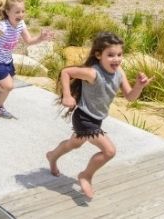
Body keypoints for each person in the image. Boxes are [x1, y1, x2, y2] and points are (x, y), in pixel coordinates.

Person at [46, 32, 152, 199]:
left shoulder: (119, 72)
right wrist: (67, 95)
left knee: (73, 144)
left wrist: (139, 86)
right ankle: (86, 176)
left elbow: (130, 97)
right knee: (109, 151)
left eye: (119, 54)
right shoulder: (93, 73)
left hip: (96, 120)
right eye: (110, 55)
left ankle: (52, 156)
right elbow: (66, 72)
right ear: (98, 55)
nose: (116, 59)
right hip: (84, 118)